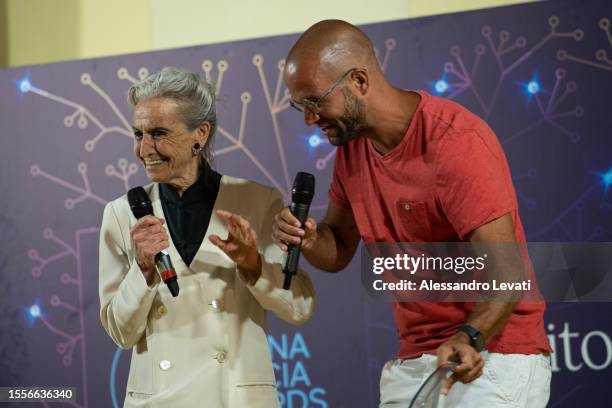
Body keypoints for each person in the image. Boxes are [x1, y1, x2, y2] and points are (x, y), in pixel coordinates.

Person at [272, 20, 552, 407]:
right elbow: (337, 251)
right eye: (300, 106)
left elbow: (507, 272)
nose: (308, 118)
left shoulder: (456, 142)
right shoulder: (351, 152)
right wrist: (311, 237)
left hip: (491, 354)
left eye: (315, 102)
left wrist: (469, 336)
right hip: (415, 361)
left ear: (359, 81)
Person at [98, 67, 314, 408]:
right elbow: (121, 333)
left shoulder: (257, 201)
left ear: (200, 133)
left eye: (158, 133)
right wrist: (142, 270)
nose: (144, 149)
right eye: (138, 134)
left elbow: (299, 307)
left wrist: (252, 266)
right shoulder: (120, 213)